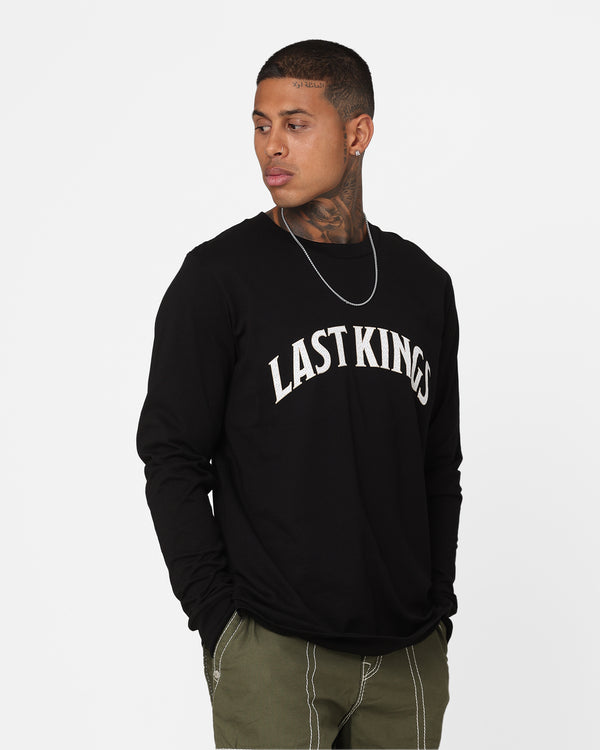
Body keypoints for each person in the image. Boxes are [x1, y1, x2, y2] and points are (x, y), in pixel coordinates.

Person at [136, 39, 463, 750]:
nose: (271, 147)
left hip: (408, 657)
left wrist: (438, 608)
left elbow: (439, 464)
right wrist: (220, 623)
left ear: (357, 132)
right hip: (274, 653)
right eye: (261, 125)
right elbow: (171, 456)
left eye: (295, 124)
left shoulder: (422, 285)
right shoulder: (218, 278)